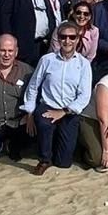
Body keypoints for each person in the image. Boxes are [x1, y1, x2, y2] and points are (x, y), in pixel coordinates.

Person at [21, 22, 93, 174]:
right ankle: (44, 159)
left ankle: (59, 149)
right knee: (44, 123)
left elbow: (84, 95)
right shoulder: (47, 60)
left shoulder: (84, 64)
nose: (67, 41)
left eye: (72, 37)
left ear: (77, 39)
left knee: (64, 163)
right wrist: (30, 112)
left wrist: (64, 111)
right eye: (63, 37)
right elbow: (33, 86)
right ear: (58, 39)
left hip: (69, 110)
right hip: (48, 105)